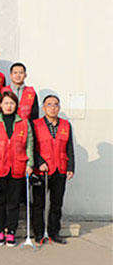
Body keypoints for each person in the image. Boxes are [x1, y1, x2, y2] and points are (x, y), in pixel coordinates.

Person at [0, 91, 34, 247]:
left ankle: (12, 232)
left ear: (16, 105)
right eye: (6, 103)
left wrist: (30, 164)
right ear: (0, 105)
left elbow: (29, 144)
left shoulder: (24, 123)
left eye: (12, 103)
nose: (9, 106)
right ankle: (0, 230)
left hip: (18, 167)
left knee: (14, 202)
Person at [32, 95, 75, 244]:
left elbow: (69, 147)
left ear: (59, 107)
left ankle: (54, 232)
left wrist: (70, 167)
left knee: (57, 204)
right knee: (39, 204)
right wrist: (39, 163)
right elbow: (32, 147)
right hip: (42, 170)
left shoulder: (66, 125)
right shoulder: (36, 124)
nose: (53, 108)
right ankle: (39, 233)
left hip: (60, 169)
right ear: (43, 108)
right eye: (49, 105)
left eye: (56, 104)